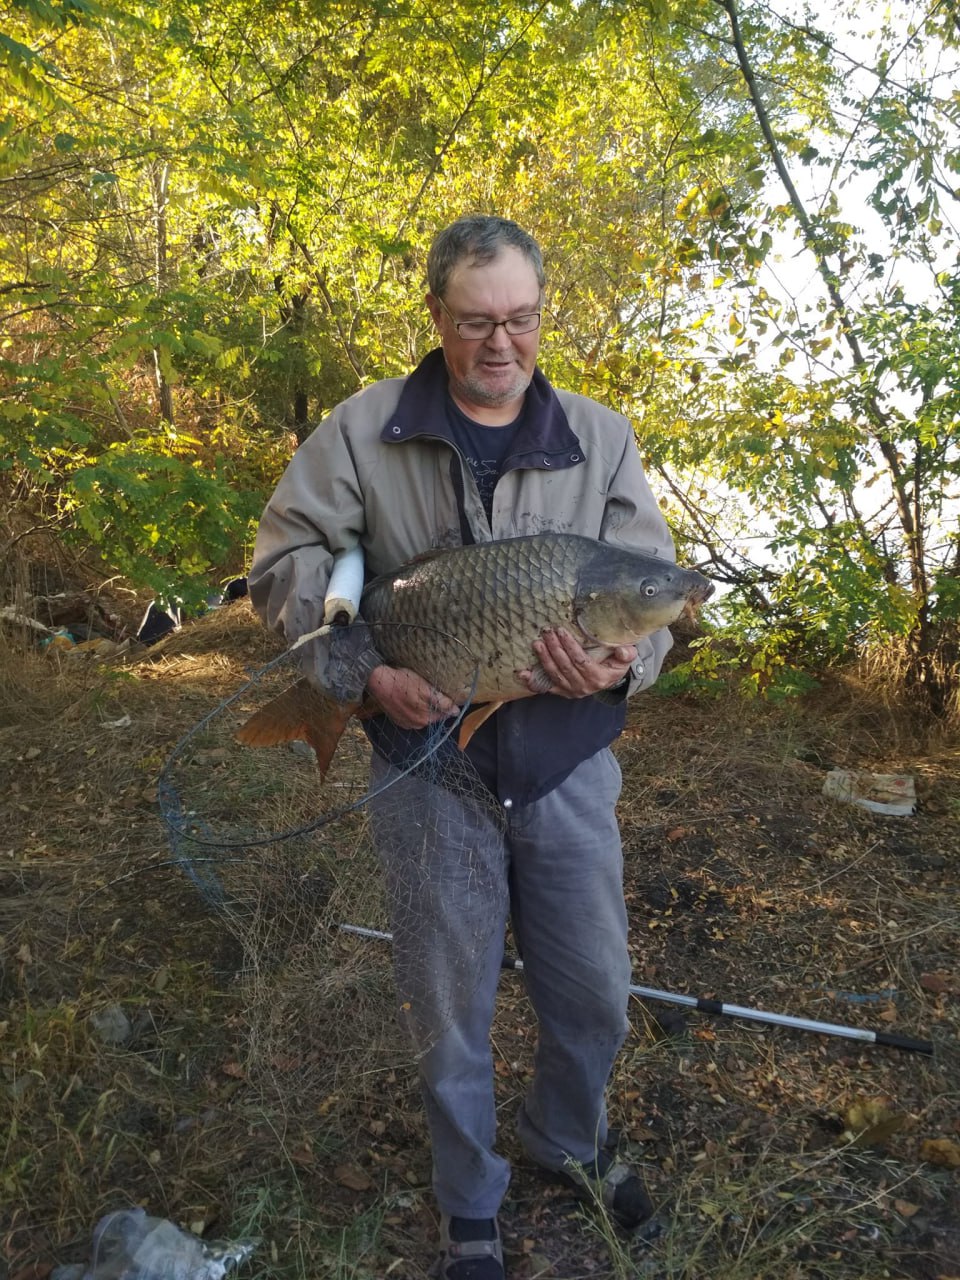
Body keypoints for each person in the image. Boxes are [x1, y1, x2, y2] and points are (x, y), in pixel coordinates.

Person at [249, 215, 676, 1279]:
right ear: (437, 314)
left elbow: (656, 598)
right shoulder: (363, 428)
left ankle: (567, 1137)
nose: (500, 342)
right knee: (448, 1000)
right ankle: (468, 1198)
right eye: (477, 320)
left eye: (521, 319)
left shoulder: (600, 435)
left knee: (594, 989)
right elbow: (284, 559)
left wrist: (628, 663)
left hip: (564, 758)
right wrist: (360, 677)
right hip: (425, 757)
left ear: (542, 317)